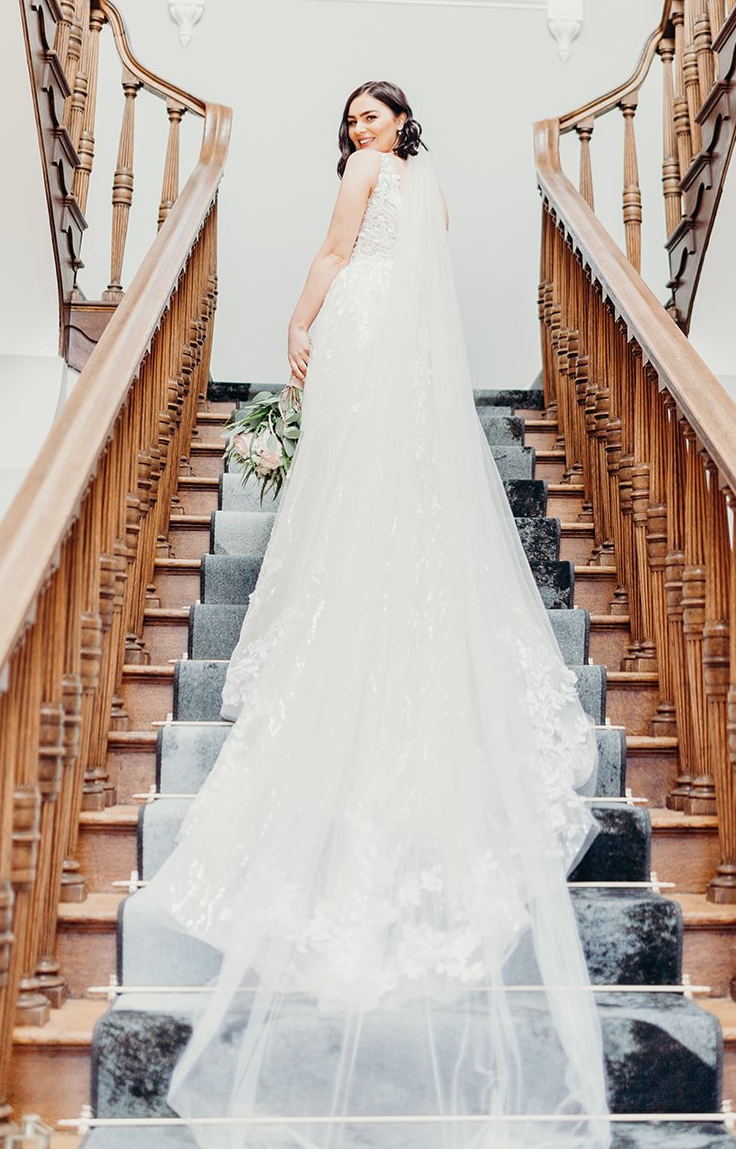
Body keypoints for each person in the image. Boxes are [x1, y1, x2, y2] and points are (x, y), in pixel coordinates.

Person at [146, 82, 610, 1147]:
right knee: (384, 481)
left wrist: (299, 321)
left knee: (353, 482)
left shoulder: (368, 177)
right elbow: (417, 260)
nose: (360, 127)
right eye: (352, 116)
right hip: (399, 355)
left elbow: (331, 253)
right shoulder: (430, 187)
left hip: (363, 331)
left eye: (374, 110)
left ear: (402, 120)